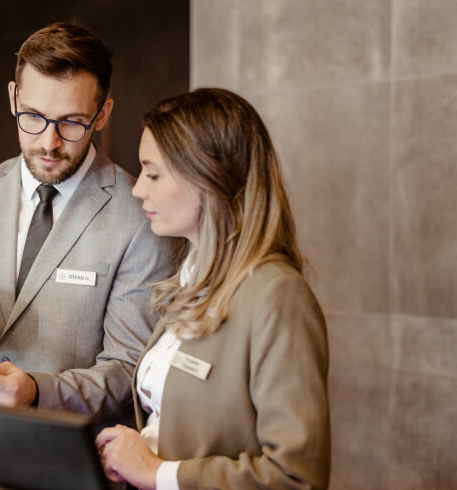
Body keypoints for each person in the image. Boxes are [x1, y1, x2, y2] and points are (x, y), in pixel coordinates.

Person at [0, 22, 177, 422]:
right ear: (13, 97)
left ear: (103, 113)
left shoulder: (141, 216)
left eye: (72, 121)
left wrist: (38, 391)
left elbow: (130, 372)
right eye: (33, 117)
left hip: (63, 460)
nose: (49, 142)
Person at [95, 88, 330, 489]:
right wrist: (137, 447)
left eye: (153, 173)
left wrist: (158, 474)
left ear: (208, 177)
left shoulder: (277, 296)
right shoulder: (191, 279)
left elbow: (296, 477)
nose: (138, 189)